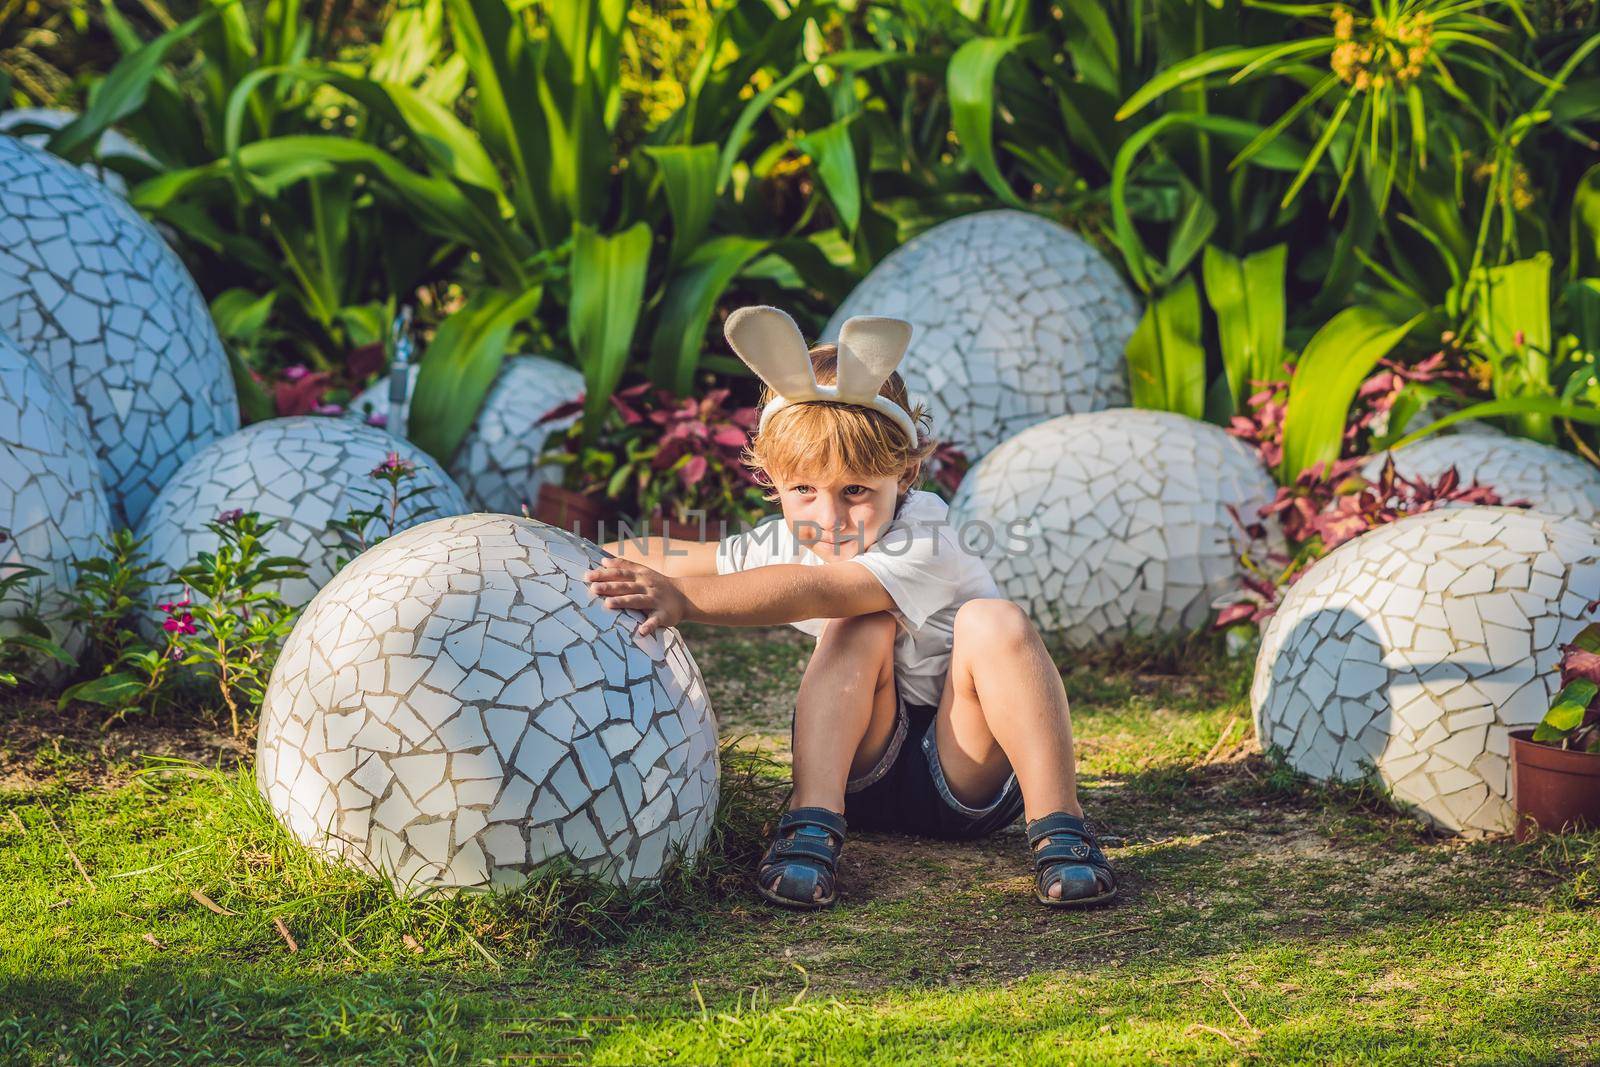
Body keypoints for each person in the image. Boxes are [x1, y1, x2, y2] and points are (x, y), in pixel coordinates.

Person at [582, 306, 1116, 911]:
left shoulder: (926, 539)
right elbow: (685, 555)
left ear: (904, 472)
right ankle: (811, 821)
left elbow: (819, 589)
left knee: (990, 621)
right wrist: (566, 553)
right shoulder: (789, 537)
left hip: (965, 774)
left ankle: (1060, 828)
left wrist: (685, 600)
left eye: (855, 491)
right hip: (859, 769)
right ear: (772, 478)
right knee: (861, 628)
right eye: (803, 490)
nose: (829, 518)